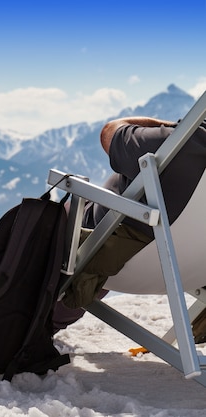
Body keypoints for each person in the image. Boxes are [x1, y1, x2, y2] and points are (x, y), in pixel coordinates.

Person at [52, 115, 206, 333]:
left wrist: (177, 125)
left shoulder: (183, 142)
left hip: (127, 259)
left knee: (66, 225)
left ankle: (39, 323)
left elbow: (110, 131)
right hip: (197, 269)